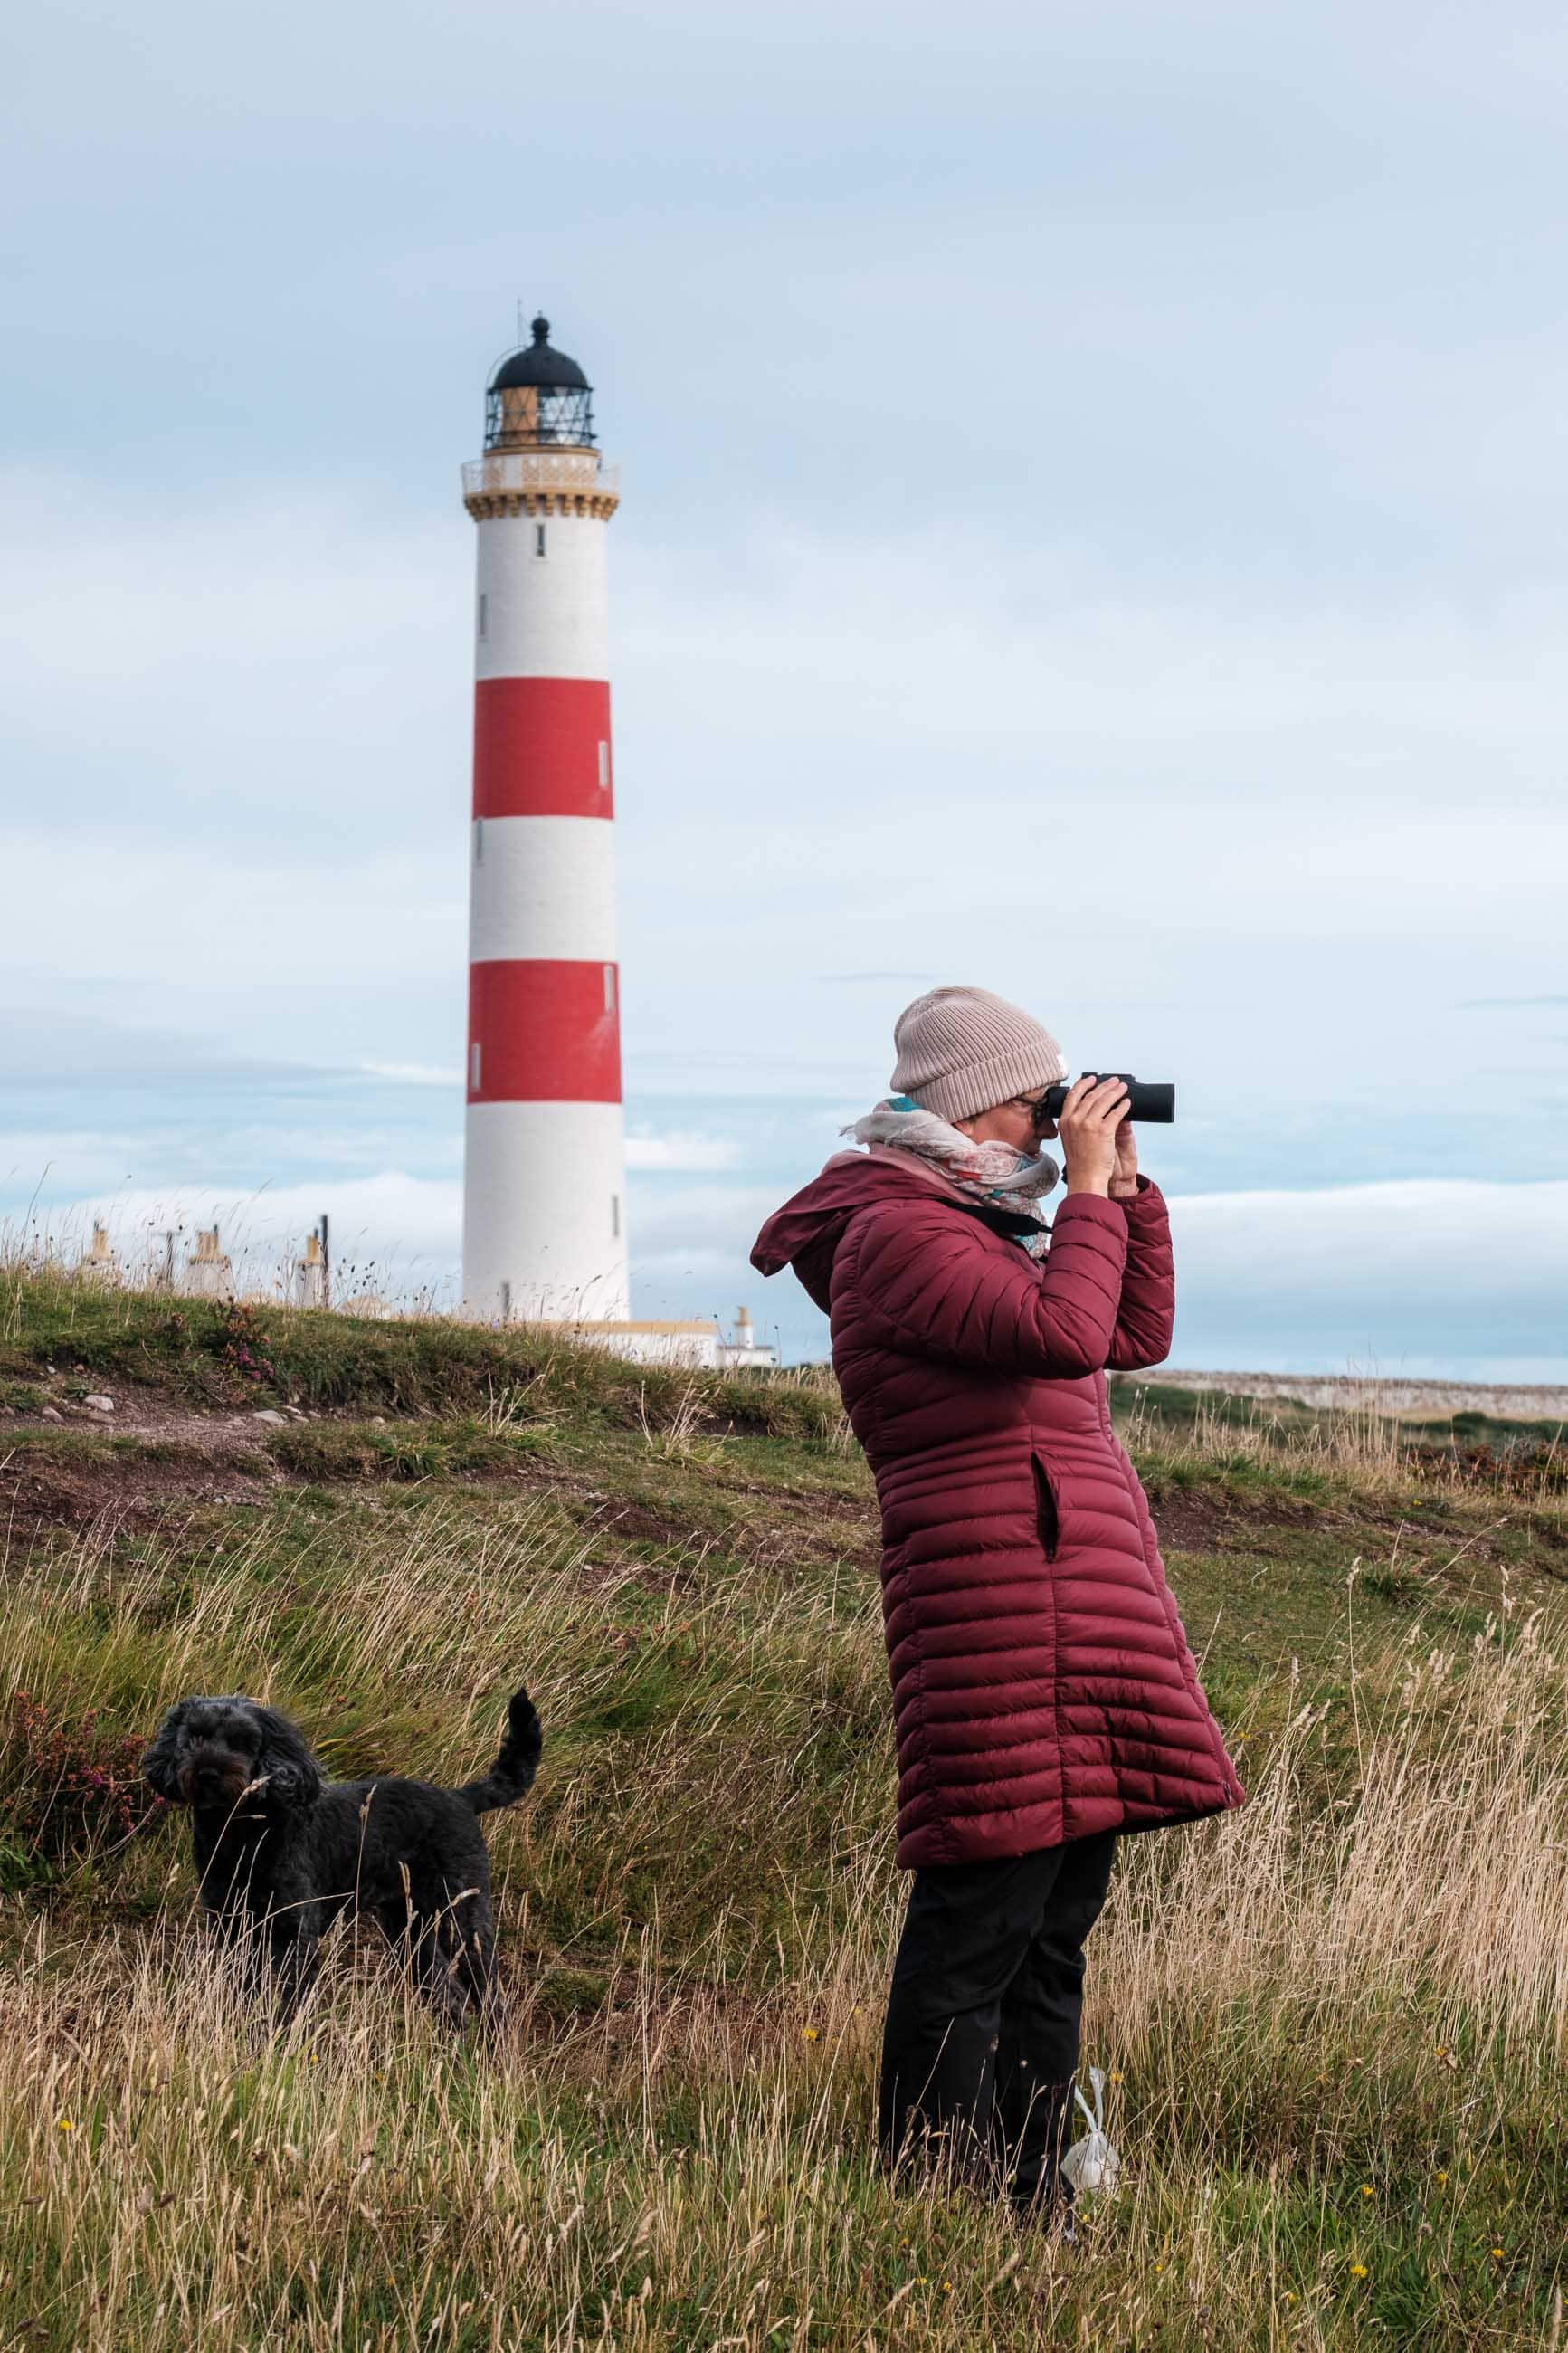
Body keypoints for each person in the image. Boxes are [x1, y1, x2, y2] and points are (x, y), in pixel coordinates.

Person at [751, 986, 1243, 2221]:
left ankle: (1029, 2195)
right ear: (971, 1102)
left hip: (1057, 1600)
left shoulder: (972, 1218)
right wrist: (1077, 1193)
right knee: (978, 1919)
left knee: (1051, 1925)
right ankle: (930, 2195)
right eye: (1039, 1100)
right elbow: (1065, 1330)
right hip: (996, 1606)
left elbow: (1130, 1331)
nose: (1049, 1122)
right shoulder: (898, 1232)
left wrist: (1119, 1192)